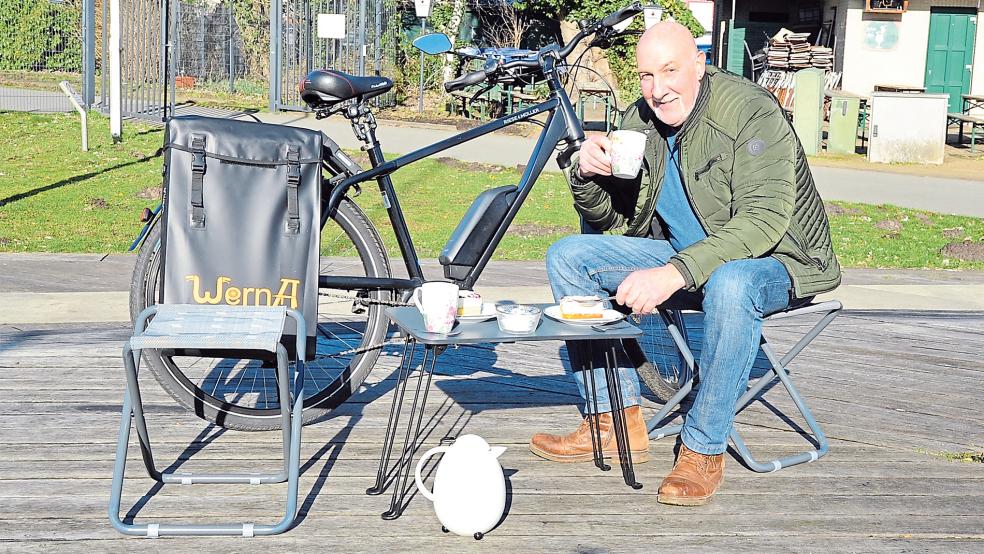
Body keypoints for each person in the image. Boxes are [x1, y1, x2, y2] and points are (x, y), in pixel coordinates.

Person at [529, 21, 841, 506]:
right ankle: (613, 420)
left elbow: (764, 222)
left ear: (699, 63)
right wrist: (586, 174)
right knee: (569, 256)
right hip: (688, 257)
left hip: (777, 261)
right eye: (646, 76)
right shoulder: (639, 121)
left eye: (670, 70)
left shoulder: (750, 112)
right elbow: (616, 215)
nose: (658, 89)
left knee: (734, 283)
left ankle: (702, 447)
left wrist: (671, 274)